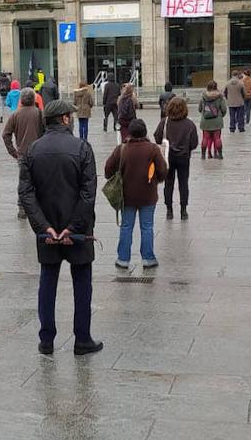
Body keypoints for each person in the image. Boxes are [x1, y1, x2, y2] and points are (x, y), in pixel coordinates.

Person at [19, 98, 103, 356]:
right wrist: (72, 226)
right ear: (65, 119)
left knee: (47, 281)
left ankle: (46, 339)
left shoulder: (32, 150)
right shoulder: (82, 148)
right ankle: (82, 338)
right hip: (77, 231)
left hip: (48, 230)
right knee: (82, 282)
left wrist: (44, 228)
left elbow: (26, 193)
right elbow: (88, 194)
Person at [105, 119, 167, 269]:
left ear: (130, 133)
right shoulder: (152, 149)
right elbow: (163, 171)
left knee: (126, 226)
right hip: (148, 195)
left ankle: (123, 259)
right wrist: (155, 180)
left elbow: (108, 170)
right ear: (145, 132)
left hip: (126, 196)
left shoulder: (121, 149)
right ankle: (148, 259)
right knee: (147, 227)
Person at [154, 97, 199, 220]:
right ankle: (183, 210)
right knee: (183, 183)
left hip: (168, 157)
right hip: (184, 157)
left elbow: (157, 137)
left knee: (168, 183)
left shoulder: (165, 122)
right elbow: (194, 143)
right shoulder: (189, 124)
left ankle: (169, 210)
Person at [198, 81, 227, 159]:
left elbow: (200, 109)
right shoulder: (220, 97)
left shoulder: (203, 97)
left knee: (205, 138)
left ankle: (203, 155)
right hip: (217, 120)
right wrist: (220, 116)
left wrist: (205, 113)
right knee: (217, 138)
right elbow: (224, 109)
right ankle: (220, 154)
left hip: (205, 121)